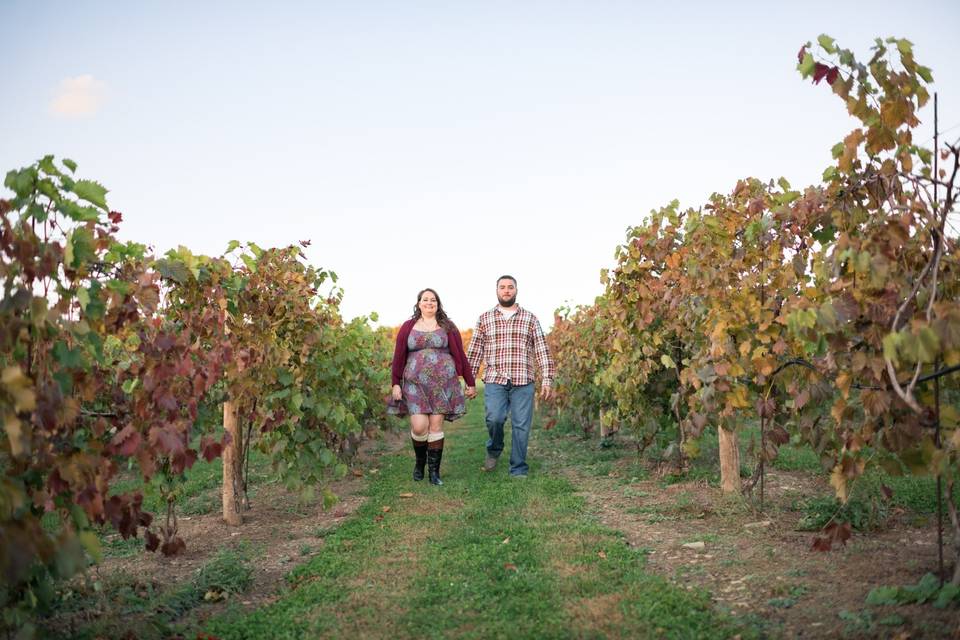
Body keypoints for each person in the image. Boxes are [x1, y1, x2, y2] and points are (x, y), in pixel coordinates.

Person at [466, 275, 554, 478]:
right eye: (502, 287)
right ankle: (494, 448)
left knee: (521, 425)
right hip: (495, 379)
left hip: (523, 381)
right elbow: (474, 352)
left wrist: (547, 379)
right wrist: (470, 381)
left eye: (510, 287)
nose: (506, 290)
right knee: (494, 419)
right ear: (497, 290)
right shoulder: (485, 318)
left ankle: (518, 468)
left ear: (516, 290)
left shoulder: (530, 318)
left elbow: (541, 349)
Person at [389, 288, 476, 486]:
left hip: (443, 384)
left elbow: (460, 355)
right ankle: (420, 462)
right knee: (419, 427)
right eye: (425, 300)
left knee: (436, 426)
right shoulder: (408, 327)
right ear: (419, 303)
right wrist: (396, 383)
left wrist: (470, 382)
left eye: (433, 300)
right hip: (415, 385)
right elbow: (398, 357)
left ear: (438, 304)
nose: (429, 303)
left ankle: (434, 473)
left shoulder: (448, 326)